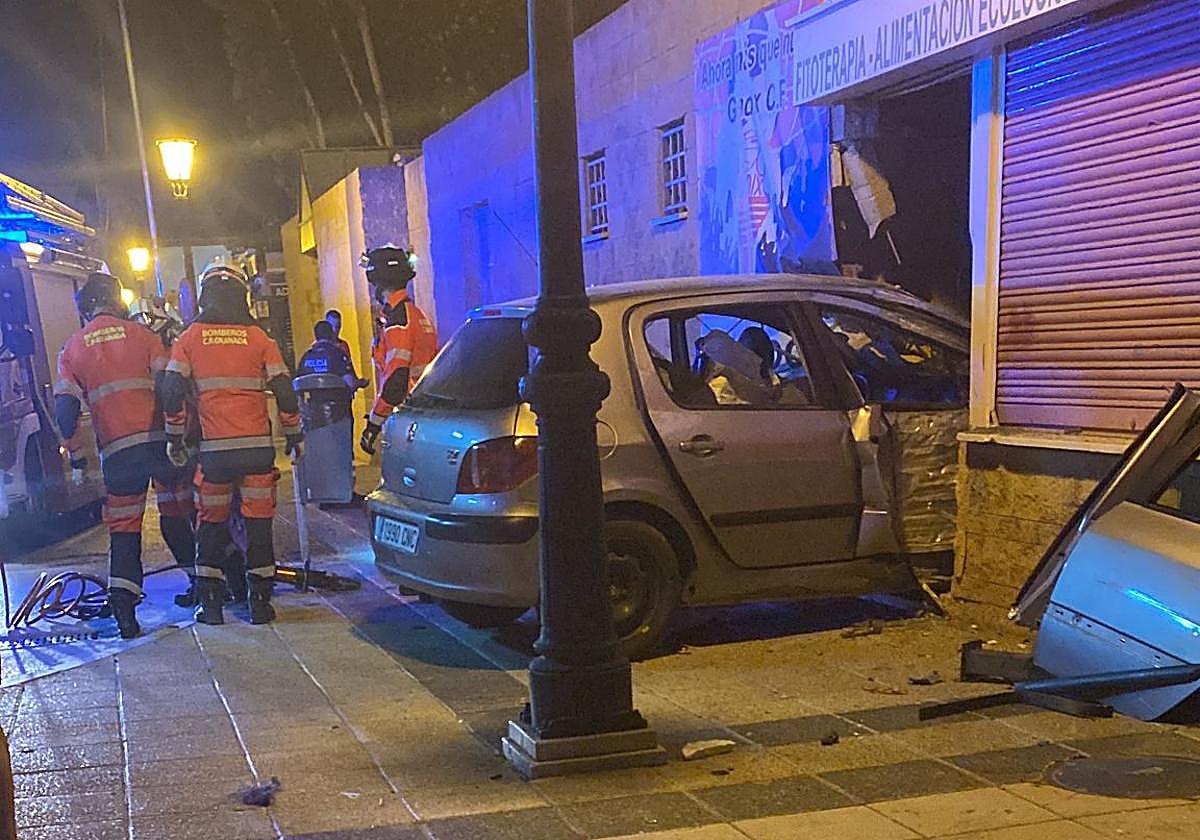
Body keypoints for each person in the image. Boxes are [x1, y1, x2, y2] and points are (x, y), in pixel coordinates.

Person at [161, 258, 303, 625]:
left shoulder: (189, 338)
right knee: (258, 527)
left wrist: (175, 437)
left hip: (215, 456)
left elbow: (172, 390)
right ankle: (260, 604)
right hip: (257, 452)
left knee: (211, 526)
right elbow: (285, 392)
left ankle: (211, 607)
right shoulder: (260, 338)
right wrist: (293, 433)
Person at [54, 272, 196, 639]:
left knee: (125, 530)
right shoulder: (144, 337)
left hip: (118, 455)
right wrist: (177, 435)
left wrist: (77, 458)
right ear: (117, 300)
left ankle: (124, 610)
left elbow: (65, 410)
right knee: (177, 514)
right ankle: (204, 583)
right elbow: (170, 390)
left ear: (86, 306)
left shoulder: (72, 348)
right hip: (159, 444)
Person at [359, 245, 437, 455]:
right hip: (422, 413)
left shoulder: (398, 321)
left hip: (407, 417)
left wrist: (374, 424)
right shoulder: (416, 314)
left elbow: (396, 379)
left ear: (380, 283)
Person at [324, 309, 367, 389]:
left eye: (338, 327)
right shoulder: (319, 347)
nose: (335, 330)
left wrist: (357, 381)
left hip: (343, 389)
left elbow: (349, 366)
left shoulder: (343, 345)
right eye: (332, 327)